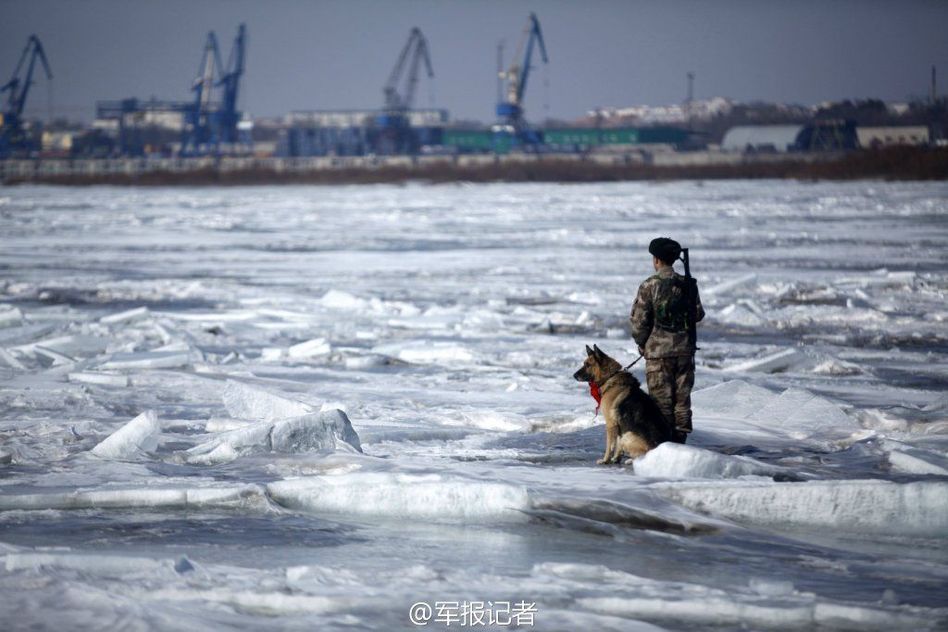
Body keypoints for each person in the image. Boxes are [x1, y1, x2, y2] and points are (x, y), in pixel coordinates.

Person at [629, 237, 704, 443]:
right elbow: (698, 314)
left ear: (656, 260)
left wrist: (642, 343)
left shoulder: (649, 285)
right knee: (682, 401)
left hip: (658, 354)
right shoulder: (688, 284)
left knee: (661, 403)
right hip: (684, 352)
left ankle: (664, 447)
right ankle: (680, 443)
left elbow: (639, 323)